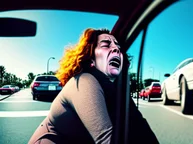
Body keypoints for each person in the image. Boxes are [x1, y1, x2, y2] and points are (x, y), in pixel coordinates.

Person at [28, 28, 159, 144]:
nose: (116, 49)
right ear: (91, 59)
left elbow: (140, 129)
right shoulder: (84, 80)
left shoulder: (114, 88)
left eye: (118, 47)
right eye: (106, 45)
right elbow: (107, 140)